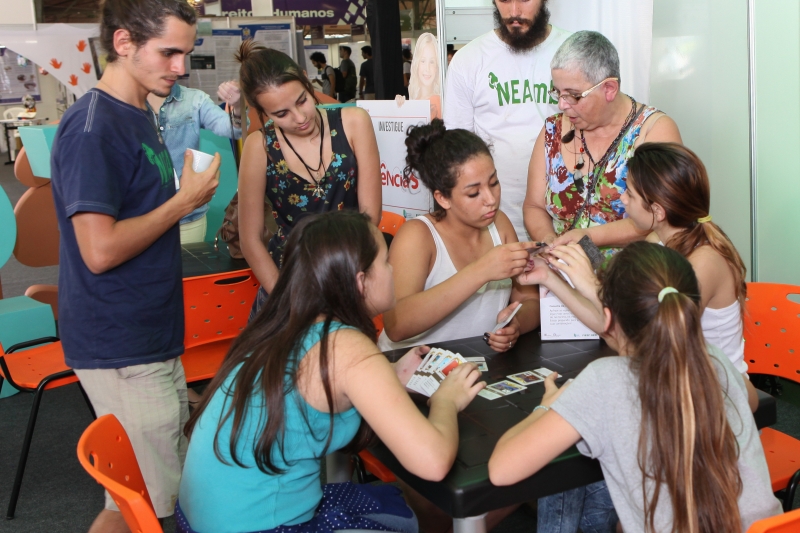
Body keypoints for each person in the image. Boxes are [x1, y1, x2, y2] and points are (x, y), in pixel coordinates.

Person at [176, 210, 485, 533]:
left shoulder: (284, 324)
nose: (393, 270)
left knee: (398, 507)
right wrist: (447, 400)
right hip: (260, 527)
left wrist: (388, 376)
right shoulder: (346, 347)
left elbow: (311, 387)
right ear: (360, 281)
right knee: (408, 513)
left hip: (204, 521)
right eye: (386, 262)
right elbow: (433, 462)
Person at [49, 0, 221, 531]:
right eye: (168, 53)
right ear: (124, 44)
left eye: (185, 53)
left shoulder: (137, 110)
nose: (180, 68)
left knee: (131, 498)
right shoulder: (93, 128)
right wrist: (183, 202)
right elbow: (98, 251)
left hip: (146, 332)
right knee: (153, 505)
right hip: (118, 340)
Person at [489, 242, 782, 532]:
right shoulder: (712, 359)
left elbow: (501, 470)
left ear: (607, 318)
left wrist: (549, 405)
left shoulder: (603, 380)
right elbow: (751, 400)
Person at [525, 143, 760, 411]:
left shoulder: (704, 262)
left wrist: (591, 284)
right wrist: (549, 278)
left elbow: (647, 341)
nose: (622, 199)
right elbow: (612, 326)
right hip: (673, 380)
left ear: (658, 211)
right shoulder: (656, 241)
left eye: (630, 194)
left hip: (718, 394)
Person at [236, 41, 381, 319]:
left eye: (302, 100)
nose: (300, 117)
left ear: (307, 80)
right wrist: (288, 300)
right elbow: (250, 239)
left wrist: (345, 279)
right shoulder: (260, 146)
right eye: (281, 114)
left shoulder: (354, 122)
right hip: (286, 282)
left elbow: (370, 215)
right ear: (262, 112)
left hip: (348, 272)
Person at [379, 119, 540, 354]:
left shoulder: (500, 225)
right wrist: (481, 270)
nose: (491, 199)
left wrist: (515, 325)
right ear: (443, 198)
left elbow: (530, 301)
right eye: (474, 193)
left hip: (474, 364)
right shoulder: (418, 236)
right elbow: (396, 325)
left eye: (494, 183)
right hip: (407, 365)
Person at [523, 31, 682, 254]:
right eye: (558, 92)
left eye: (573, 95)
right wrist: (550, 242)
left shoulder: (654, 132)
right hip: (561, 276)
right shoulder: (553, 130)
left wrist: (586, 238)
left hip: (631, 279)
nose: (562, 105)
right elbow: (533, 206)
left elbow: (661, 217)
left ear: (609, 89)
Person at [444, 0, 571, 241]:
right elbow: (457, 153)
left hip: (568, 221)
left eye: (524, 0)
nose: (514, 12)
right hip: (493, 225)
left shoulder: (574, 51)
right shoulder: (468, 61)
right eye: (504, 0)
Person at [147, 80, 242, 244]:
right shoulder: (124, 103)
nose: (178, 66)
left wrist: (239, 107)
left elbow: (233, 129)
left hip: (188, 218)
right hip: (141, 217)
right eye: (168, 53)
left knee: (190, 269)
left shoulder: (194, 99)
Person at [408, 33, 442, 119]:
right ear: (417, 64)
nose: (427, 68)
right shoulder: (413, 99)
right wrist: (399, 106)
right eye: (423, 61)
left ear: (437, 67)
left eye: (432, 62)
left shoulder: (437, 102)